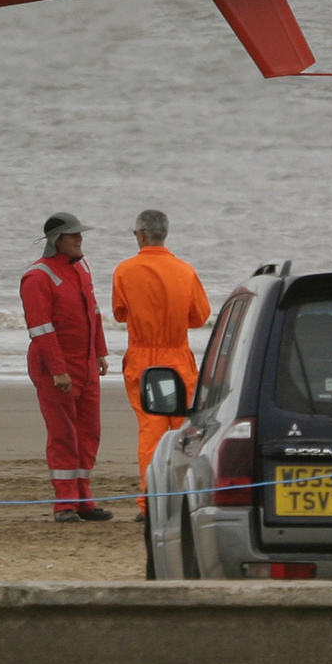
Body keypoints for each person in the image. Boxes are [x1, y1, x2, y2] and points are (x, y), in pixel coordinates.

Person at [112, 209, 210, 520]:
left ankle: (150, 504)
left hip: (143, 358)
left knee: (151, 432)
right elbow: (200, 316)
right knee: (183, 432)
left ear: (140, 235)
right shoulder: (184, 270)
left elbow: (119, 312)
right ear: (164, 234)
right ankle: (183, 500)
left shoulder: (125, 271)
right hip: (177, 356)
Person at [21, 212, 113, 522]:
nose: (79, 239)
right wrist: (59, 370)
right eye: (73, 235)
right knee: (63, 434)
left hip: (86, 364)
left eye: (80, 234)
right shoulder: (37, 277)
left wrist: (99, 351)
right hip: (56, 369)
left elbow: (94, 312)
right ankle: (65, 504)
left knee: (89, 432)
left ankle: (84, 499)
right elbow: (40, 328)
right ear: (55, 240)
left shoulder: (82, 267)